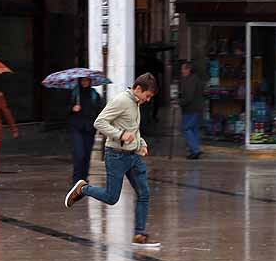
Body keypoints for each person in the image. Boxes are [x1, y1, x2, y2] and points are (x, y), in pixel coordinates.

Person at [64, 73, 160, 248]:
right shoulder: (122, 101)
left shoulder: (136, 103)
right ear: (138, 89)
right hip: (116, 155)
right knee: (111, 197)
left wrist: (141, 143)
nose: (147, 100)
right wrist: (121, 135)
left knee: (144, 193)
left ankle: (139, 235)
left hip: (133, 156)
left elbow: (133, 128)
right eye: (147, 96)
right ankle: (83, 188)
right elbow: (99, 122)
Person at [69, 77, 102, 184]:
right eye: (82, 80)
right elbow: (63, 109)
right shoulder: (74, 93)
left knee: (87, 154)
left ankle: (84, 178)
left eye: (87, 80)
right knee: (79, 154)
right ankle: (76, 179)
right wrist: (72, 108)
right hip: (76, 128)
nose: (84, 82)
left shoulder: (94, 95)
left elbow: (100, 110)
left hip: (89, 128)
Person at [179, 61, 204, 160]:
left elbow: (189, 96)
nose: (181, 71)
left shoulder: (190, 80)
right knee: (194, 130)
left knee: (187, 128)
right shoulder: (194, 79)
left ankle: (195, 150)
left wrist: (180, 102)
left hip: (190, 109)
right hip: (195, 108)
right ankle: (194, 150)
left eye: (183, 69)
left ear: (188, 69)